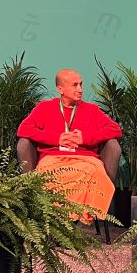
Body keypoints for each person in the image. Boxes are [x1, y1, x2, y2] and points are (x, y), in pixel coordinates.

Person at [17, 69, 122, 222]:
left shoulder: (92, 110)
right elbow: (24, 129)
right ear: (60, 89)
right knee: (47, 175)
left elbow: (115, 129)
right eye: (74, 85)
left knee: (95, 171)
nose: (80, 89)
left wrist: (85, 138)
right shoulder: (44, 108)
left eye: (81, 84)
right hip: (54, 159)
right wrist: (56, 138)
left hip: (85, 160)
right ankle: (58, 221)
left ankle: (71, 220)